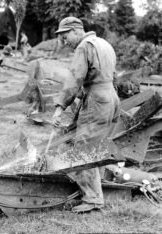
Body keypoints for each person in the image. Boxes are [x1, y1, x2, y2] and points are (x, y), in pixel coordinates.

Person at [52, 17, 120, 213]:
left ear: (76, 30)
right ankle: (94, 189)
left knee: (85, 148)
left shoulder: (84, 46)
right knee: (96, 147)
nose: (66, 42)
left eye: (66, 37)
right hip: (111, 99)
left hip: (98, 102)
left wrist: (59, 107)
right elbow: (109, 77)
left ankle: (92, 199)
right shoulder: (104, 44)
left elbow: (74, 79)